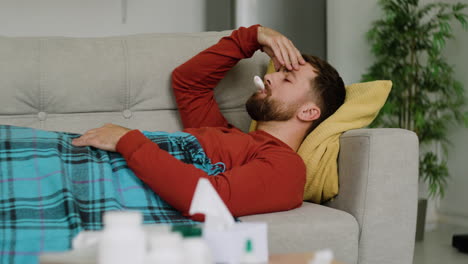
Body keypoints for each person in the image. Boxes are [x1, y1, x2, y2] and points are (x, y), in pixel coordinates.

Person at [71, 24, 346, 220]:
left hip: (99, 173)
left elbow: (209, 201)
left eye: (287, 78)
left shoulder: (286, 167)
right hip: (83, 151)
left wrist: (126, 139)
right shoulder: (225, 135)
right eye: (278, 71)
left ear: (309, 112)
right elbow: (188, 83)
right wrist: (253, 37)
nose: (271, 77)